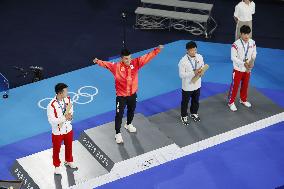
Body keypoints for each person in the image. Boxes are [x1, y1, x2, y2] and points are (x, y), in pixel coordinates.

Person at [93, 45, 163, 144]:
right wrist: (98, 61)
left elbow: (147, 57)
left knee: (131, 110)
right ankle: (117, 133)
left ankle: (128, 124)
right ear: (121, 58)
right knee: (119, 115)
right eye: (126, 58)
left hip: (133, 95)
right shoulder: (116, 67)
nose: (129, 60)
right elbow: (106, 64)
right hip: (121, 96)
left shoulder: (135, 63)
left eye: (130, 57)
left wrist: (157, 50)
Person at [47, 83, 77, 175]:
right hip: (57, 132)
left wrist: (70, 116)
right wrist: (65, 118)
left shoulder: (67, 99)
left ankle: (69, 160)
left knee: (69, 146)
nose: (67, 92)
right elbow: (52, 121)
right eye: (66, 91)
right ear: (60, 93)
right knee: (56, 149)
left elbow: (70, 110)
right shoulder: (51, 105)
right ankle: (57, 166)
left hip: (68, 129)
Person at [228, 25, 257, 112]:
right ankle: (231, 102)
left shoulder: (252, 42)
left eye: (248, 34)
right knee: (235, 86)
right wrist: (243, 63)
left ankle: (243, 99)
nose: (246, 36)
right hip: (238, 69)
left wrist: (253, 60)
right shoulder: (235, 45)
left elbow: (254, 53)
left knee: (245, 85)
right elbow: (233, 57)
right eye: (245, 34)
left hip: (247, 69)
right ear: (241, 34)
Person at [178, 41, 205, 126]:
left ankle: (194, 113)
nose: (194, 52)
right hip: (187, 86)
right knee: (185, 102)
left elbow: (202, 66)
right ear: (187, 51)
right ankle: (183, 116)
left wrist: (201, 72)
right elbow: (181, 75)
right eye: (192, 50)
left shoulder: (200, 57)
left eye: (195, 50)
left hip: (197, 84)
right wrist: (193, 73)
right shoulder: (183, 61)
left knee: (196, 100)